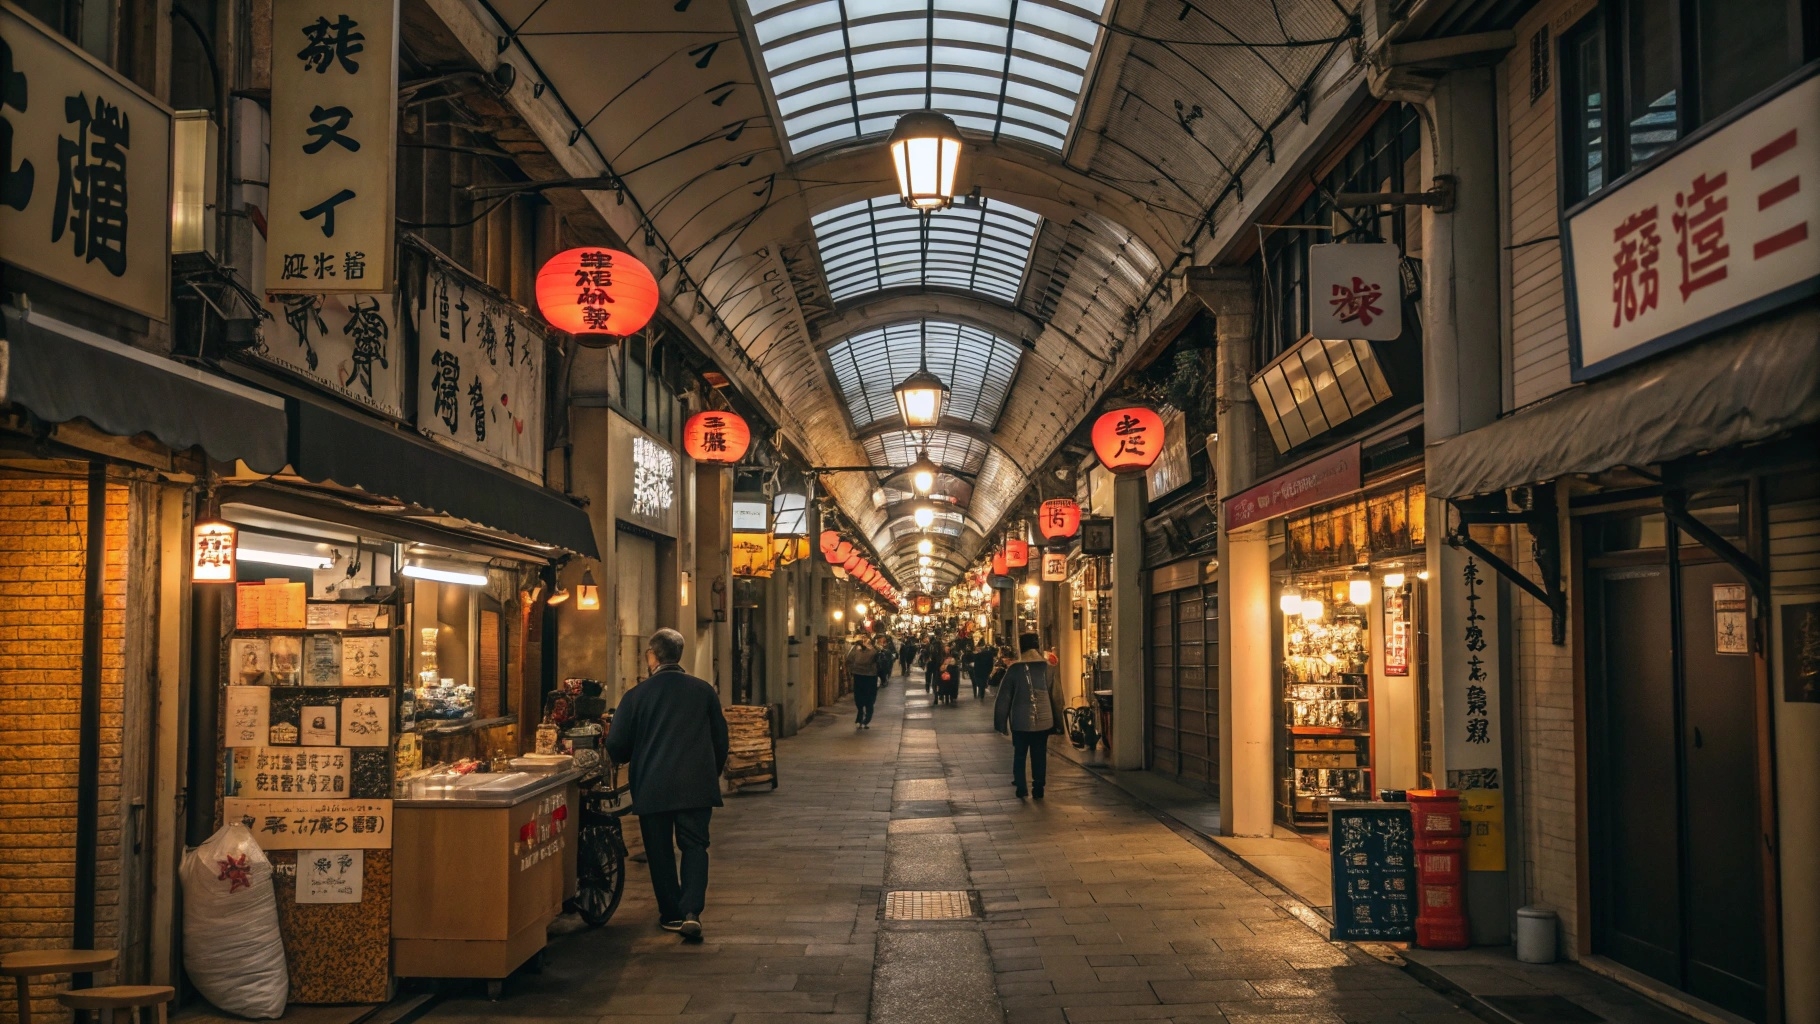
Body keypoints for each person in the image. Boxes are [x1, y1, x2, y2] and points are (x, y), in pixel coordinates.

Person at [604, 628, 729, 941]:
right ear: (679, 655)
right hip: (696, 786)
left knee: (659, 851)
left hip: (652, 785)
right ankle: (692, 912)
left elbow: (617, 745)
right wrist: (708, 774)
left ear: (652, 656)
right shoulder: (703, 691)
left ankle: (671, 914)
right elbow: (721, 740)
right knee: (695, 846)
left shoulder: (636, 696)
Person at [993, 633, 1064, 799]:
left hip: (1019, 721)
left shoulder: (1014, 670)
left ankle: (1021, 787)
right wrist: (1059, 722)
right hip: (1044, 721)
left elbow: (1004, 698)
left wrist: (1000, 723)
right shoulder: (1048, 668)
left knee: (1019, 754)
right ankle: (1038, 787)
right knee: (1039, 755)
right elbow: (1057, 698)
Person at [846, 635, 880, 728]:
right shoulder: (875, 650)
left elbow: (848, 659)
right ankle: (866, 720)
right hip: (870, 676)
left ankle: (861, 718)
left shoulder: (856, 650)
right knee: (870, 699)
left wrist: (852, 670)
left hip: (859, 676)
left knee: (859, 698)